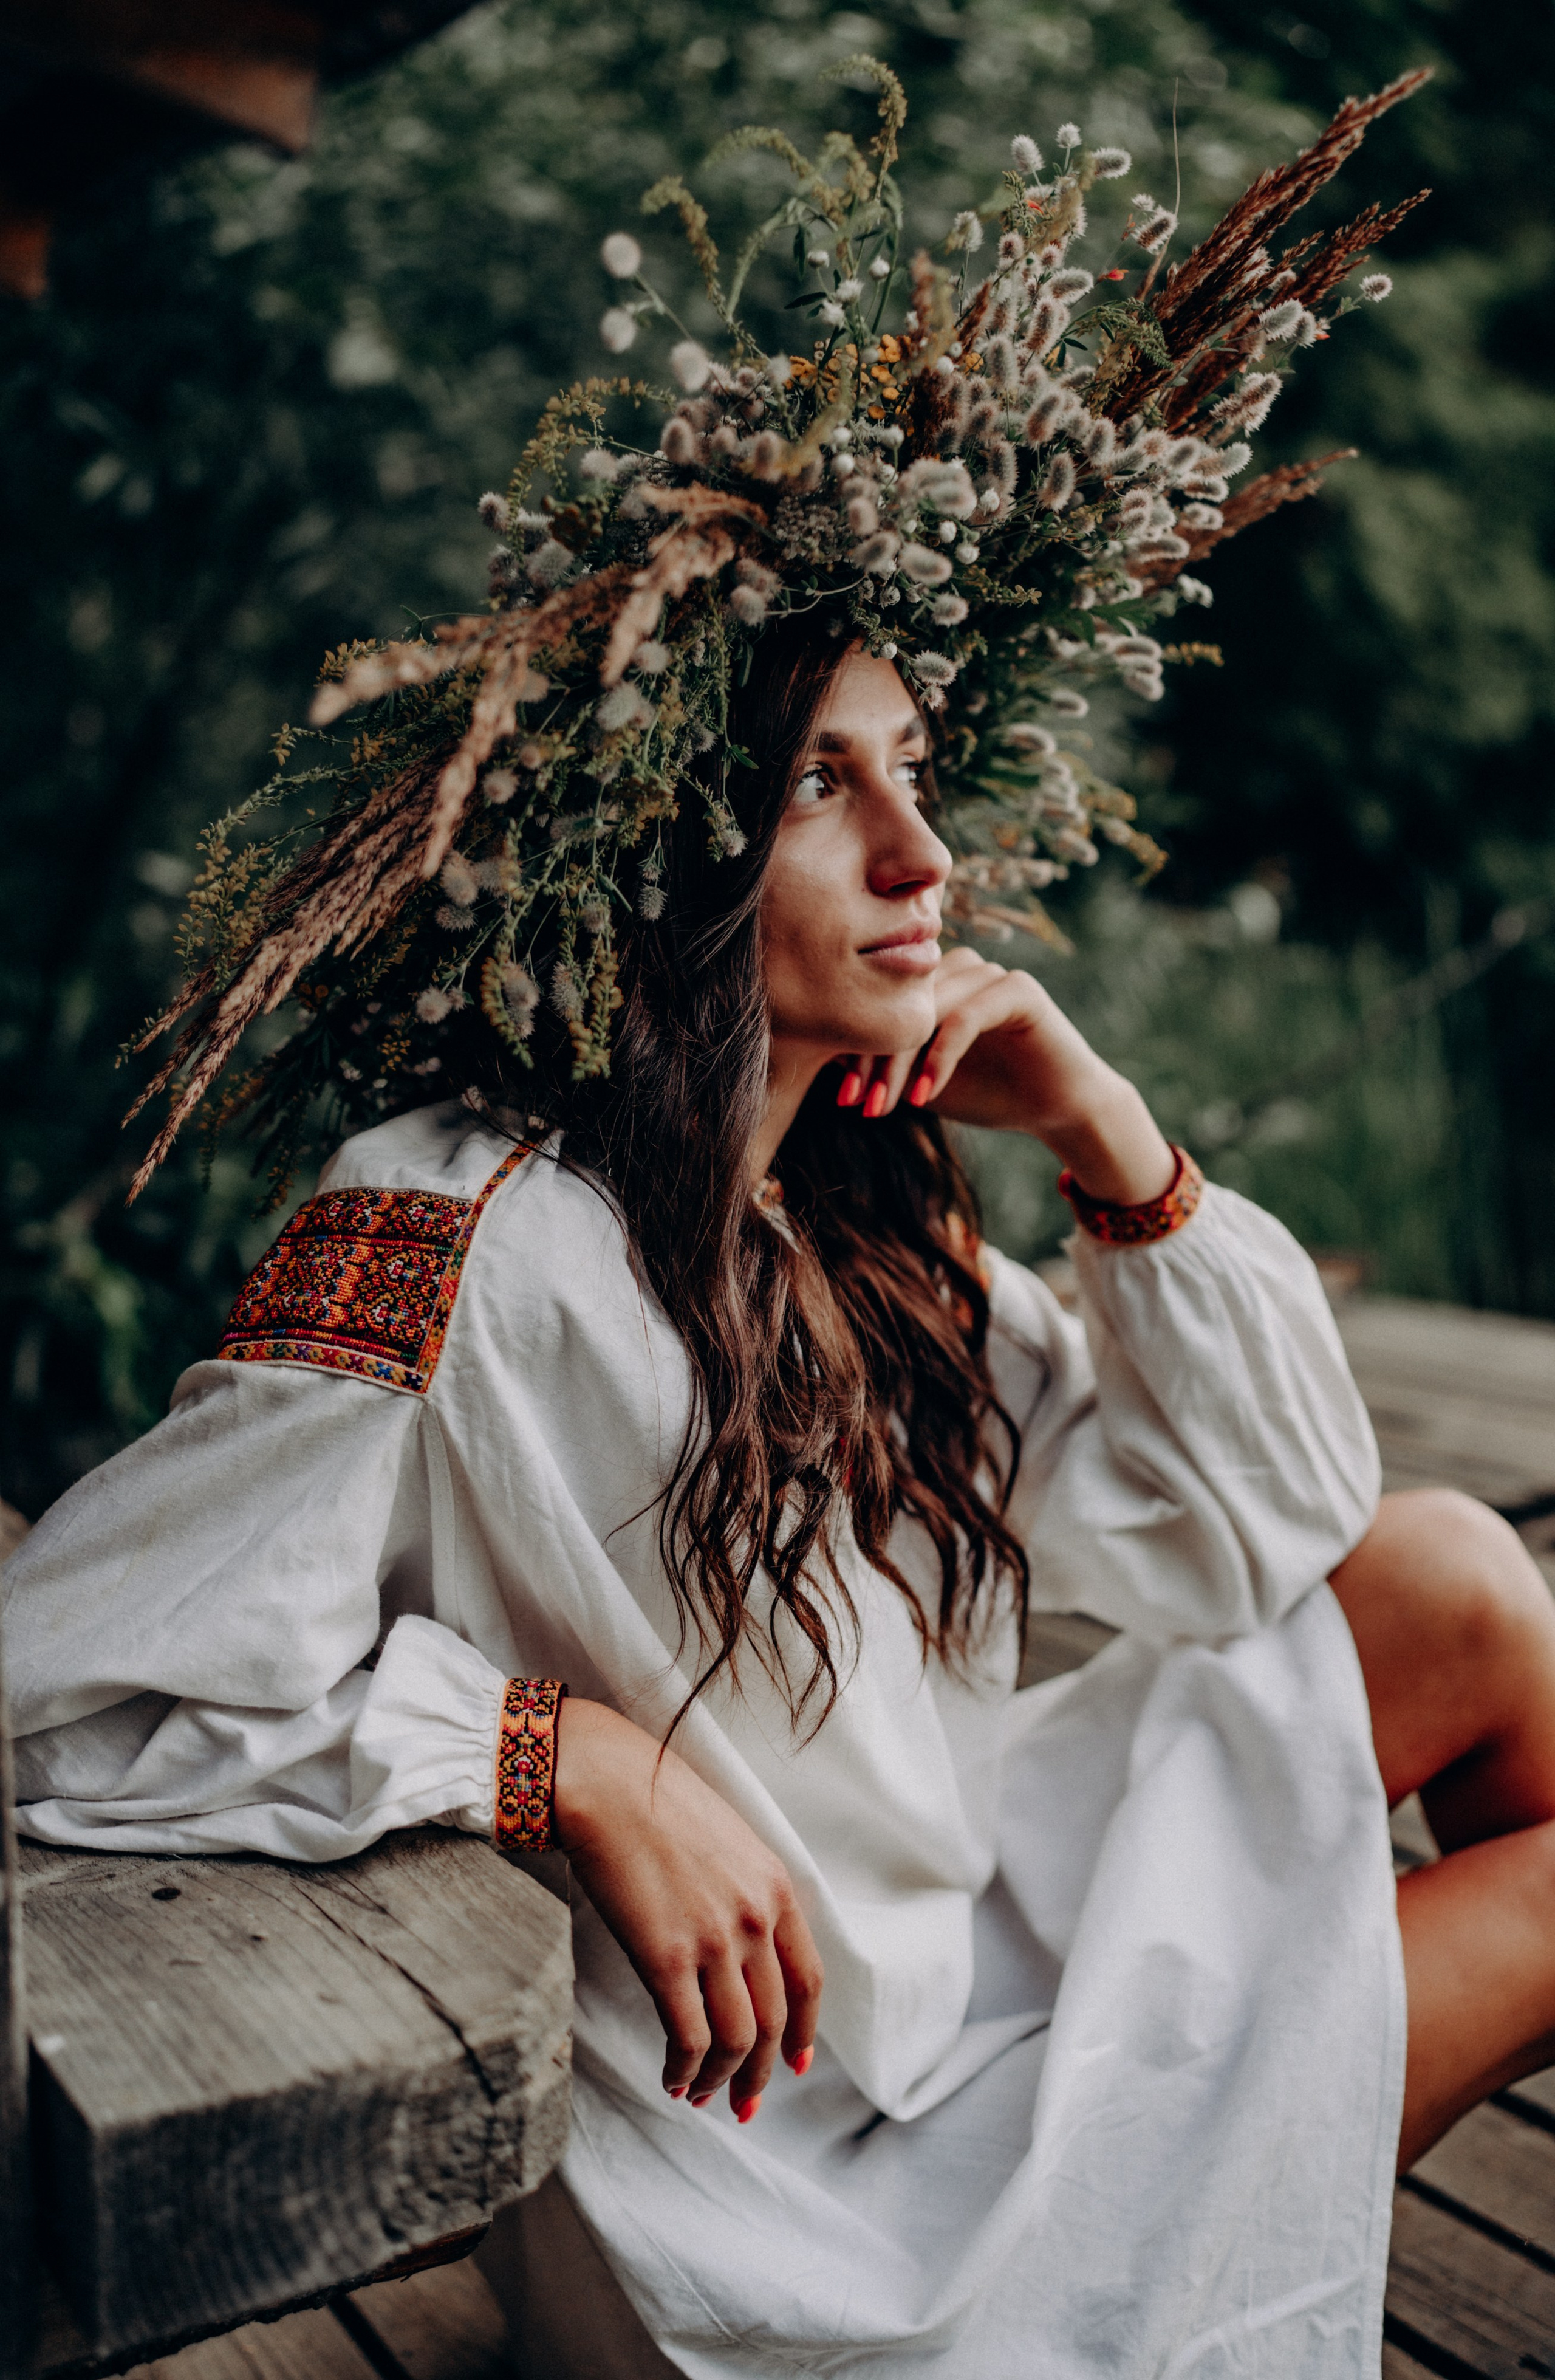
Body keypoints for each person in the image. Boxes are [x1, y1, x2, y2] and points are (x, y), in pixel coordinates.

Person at [10, 74, 1554, 2379]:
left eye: (915, 773)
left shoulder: (841, 1208)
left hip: (952, 1951)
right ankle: (1212, 2226)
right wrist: (559, 1752)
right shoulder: (455, 1220)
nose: (921, 855)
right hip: (787, 2174)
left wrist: (1112, 1140)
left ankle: (1256, 2181)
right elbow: (72, 1684)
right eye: (824, 785)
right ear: (667, 850)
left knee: (1451, 1572)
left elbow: (1265, 1524)